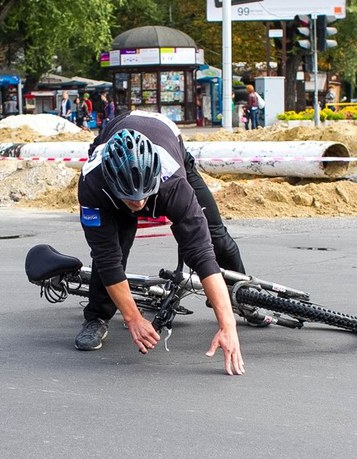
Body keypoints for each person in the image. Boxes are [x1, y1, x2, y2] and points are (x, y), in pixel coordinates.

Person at [76, 110, 246, 376]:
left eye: (144, 197)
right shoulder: (92, 184)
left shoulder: (173, 183)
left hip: (167, 143)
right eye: (130, 199)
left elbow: (201, 254)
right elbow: (107, 257)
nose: (139, 205)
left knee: (216, 237)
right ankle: (97, 316)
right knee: (114, 248)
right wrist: (133, 318)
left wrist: (228, 327)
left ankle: (241, 295)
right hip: (114, 147)